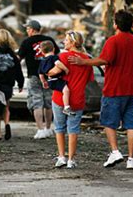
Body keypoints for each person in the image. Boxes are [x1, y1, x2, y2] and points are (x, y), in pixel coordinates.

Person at [69, 10, 133, 169]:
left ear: (115, 24)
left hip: (114, 89)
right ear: (132, 24)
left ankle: (115, 151)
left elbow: (104, 60)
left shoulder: (113, 41)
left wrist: (82, 62)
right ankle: (131, 160)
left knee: (109, 121)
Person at [47, 31, 94, 168]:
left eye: (66, 40)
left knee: (59, 127)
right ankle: (71, 160)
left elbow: (52, 72)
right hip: (77, 99)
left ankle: (61, 156)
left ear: (73, 43)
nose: (64, 42)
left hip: (59, 97)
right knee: (73, 129)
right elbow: (89, 80)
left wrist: (47, 72)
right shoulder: (86, 59)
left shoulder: (63, 56)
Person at [18, 20, 60, 139]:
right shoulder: (49, 40)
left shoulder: (26, 42)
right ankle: (48, 128)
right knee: (48, 102)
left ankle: (40, 129)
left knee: (36, 102)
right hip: (49, 74)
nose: (27, 31)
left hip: (34, 75)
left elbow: (19, 58)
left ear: (32, 29)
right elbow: (57, 54)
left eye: (27, 29)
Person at [0, 29, 24, 141]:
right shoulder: (12, 53)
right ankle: (7, 124)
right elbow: (18, 69)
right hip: (8, 84)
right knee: (6, 106)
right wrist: (20, 83)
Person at [37, 40, 75, 116]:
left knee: (63, 91)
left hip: (50, 81)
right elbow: (58, 63)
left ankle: (66, 107)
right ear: (53, 49)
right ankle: (66, 107)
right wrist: (65, 69)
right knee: (66, 90)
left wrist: (44, 82)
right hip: (56, 80)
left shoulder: (42, 61)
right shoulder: (53, 57)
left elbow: (40, 74)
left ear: (42, 52)